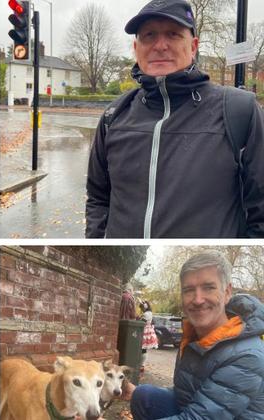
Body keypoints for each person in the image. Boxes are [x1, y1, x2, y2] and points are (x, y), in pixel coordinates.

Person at [85, 0, 264, 238]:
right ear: (136, 48)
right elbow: (98, 198)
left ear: (193, 46)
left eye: (173, 34)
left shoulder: (239, 110)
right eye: (149, 35)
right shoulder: (113, 115)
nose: (160, 45)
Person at [127, 251, 264, 419]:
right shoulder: (194, 335)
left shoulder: (246, 356)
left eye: (208, 288)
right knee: (143, 395)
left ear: (227, 292)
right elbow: (189, 392)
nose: (198, 299)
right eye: (189, 290)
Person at [139, 301, 158, 373]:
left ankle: (141, 365)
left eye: (141, 308)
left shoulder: (146, 314)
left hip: (145, 331)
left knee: (142, 349)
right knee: (144, 349)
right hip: (148, 330)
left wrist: (138, 318)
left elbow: (142, 322)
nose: (141, 309)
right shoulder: (150, 313)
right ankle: (142, 365)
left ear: (144, 307)